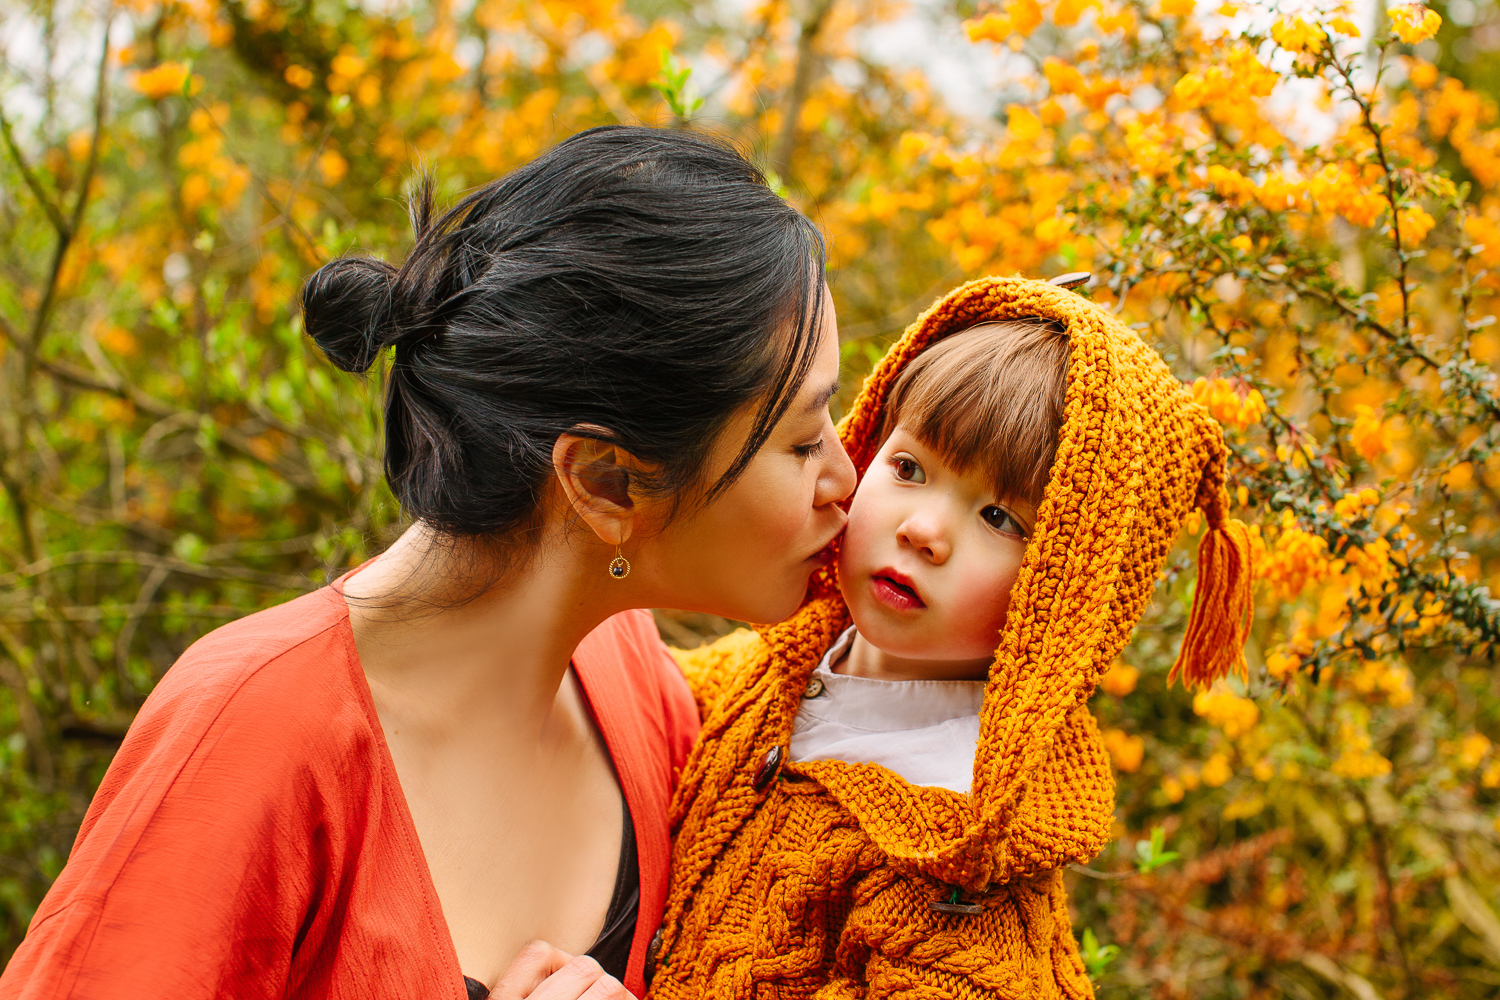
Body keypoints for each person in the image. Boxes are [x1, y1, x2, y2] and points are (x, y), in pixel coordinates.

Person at [0, 126, 858, 1000]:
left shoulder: (633, 681)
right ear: (606, 481)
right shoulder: (248, 733)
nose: (845, 477)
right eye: (799, 441)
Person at [649, 274, 1254, 999]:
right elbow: (651, 695)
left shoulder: (959, 869)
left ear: (1060, 600)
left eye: (999, 519)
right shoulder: (790, 662)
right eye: (908, 468)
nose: (924, 530)